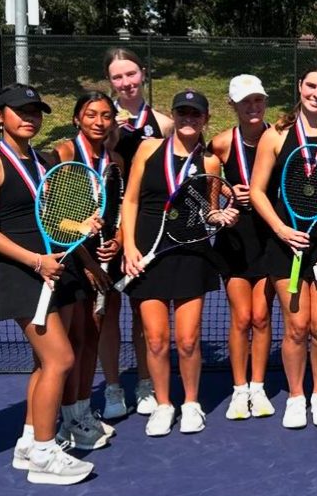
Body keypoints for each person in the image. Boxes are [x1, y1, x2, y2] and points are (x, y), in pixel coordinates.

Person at [0, 85, 95, 485]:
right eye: (20, 110)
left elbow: (49, 218)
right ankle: (45, 452)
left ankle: (28, 441)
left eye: (36, 111)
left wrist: (81, 226)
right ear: (0, 116)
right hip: (22, 274)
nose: (30, 117)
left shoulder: (43, 162)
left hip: (52, 272)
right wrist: (34, 261)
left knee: (45, 362)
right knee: (61, 359)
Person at [121, 90, 236, 436]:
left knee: (188, 340)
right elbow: (130, 201)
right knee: (155, 340)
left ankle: (190, 403)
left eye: (195, 114)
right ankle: (163, 404)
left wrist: (222, 216)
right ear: (173, 116)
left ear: (205, 120)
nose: (189, 119)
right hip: (148, 252)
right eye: (182, 113)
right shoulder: (147, 149)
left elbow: (208, 212)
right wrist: (128, 246)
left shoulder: (210, 162)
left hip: (190, 254)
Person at [250, 64, 317, 429]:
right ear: (300, 87)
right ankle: (296, 397)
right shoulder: (276, 136)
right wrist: (281, 230)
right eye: (311, 86)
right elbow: (257, 191)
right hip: (286, 243)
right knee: (296, 326)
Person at [49, 92, 123, 450]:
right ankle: (64, 420)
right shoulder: (63, 154)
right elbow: (52, 217)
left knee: (92, 336)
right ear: (78, 118)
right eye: (91, 114)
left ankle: (80, 411)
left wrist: (118, 241)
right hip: (70, 261)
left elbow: (118, 211)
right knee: (72, 341)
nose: (99, 121)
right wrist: (89, 263)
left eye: (106, 115)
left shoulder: (116, 160)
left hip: (103, 261)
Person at [105, 47, 171, 417]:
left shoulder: (164, 123)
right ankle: (113, 387)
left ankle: (146, 382)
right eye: (117, 77)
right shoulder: (100, 118)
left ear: (142, 74)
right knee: (106, 311)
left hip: (147, 229)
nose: (126, 82)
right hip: (106, 226)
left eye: (130, 74)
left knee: (144, 311)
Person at [209, 75, 276, 421]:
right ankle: (239, 390)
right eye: (245, 102)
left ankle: (259, 387)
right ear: (232, 105)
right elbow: (208, 186)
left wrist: (263, 198)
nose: (253, 107)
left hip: (269, 238)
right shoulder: (220, 144)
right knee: (242, 317)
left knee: (262, 317)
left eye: (258, 101)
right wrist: (227, 197)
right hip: (234, 241)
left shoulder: (278, 138)